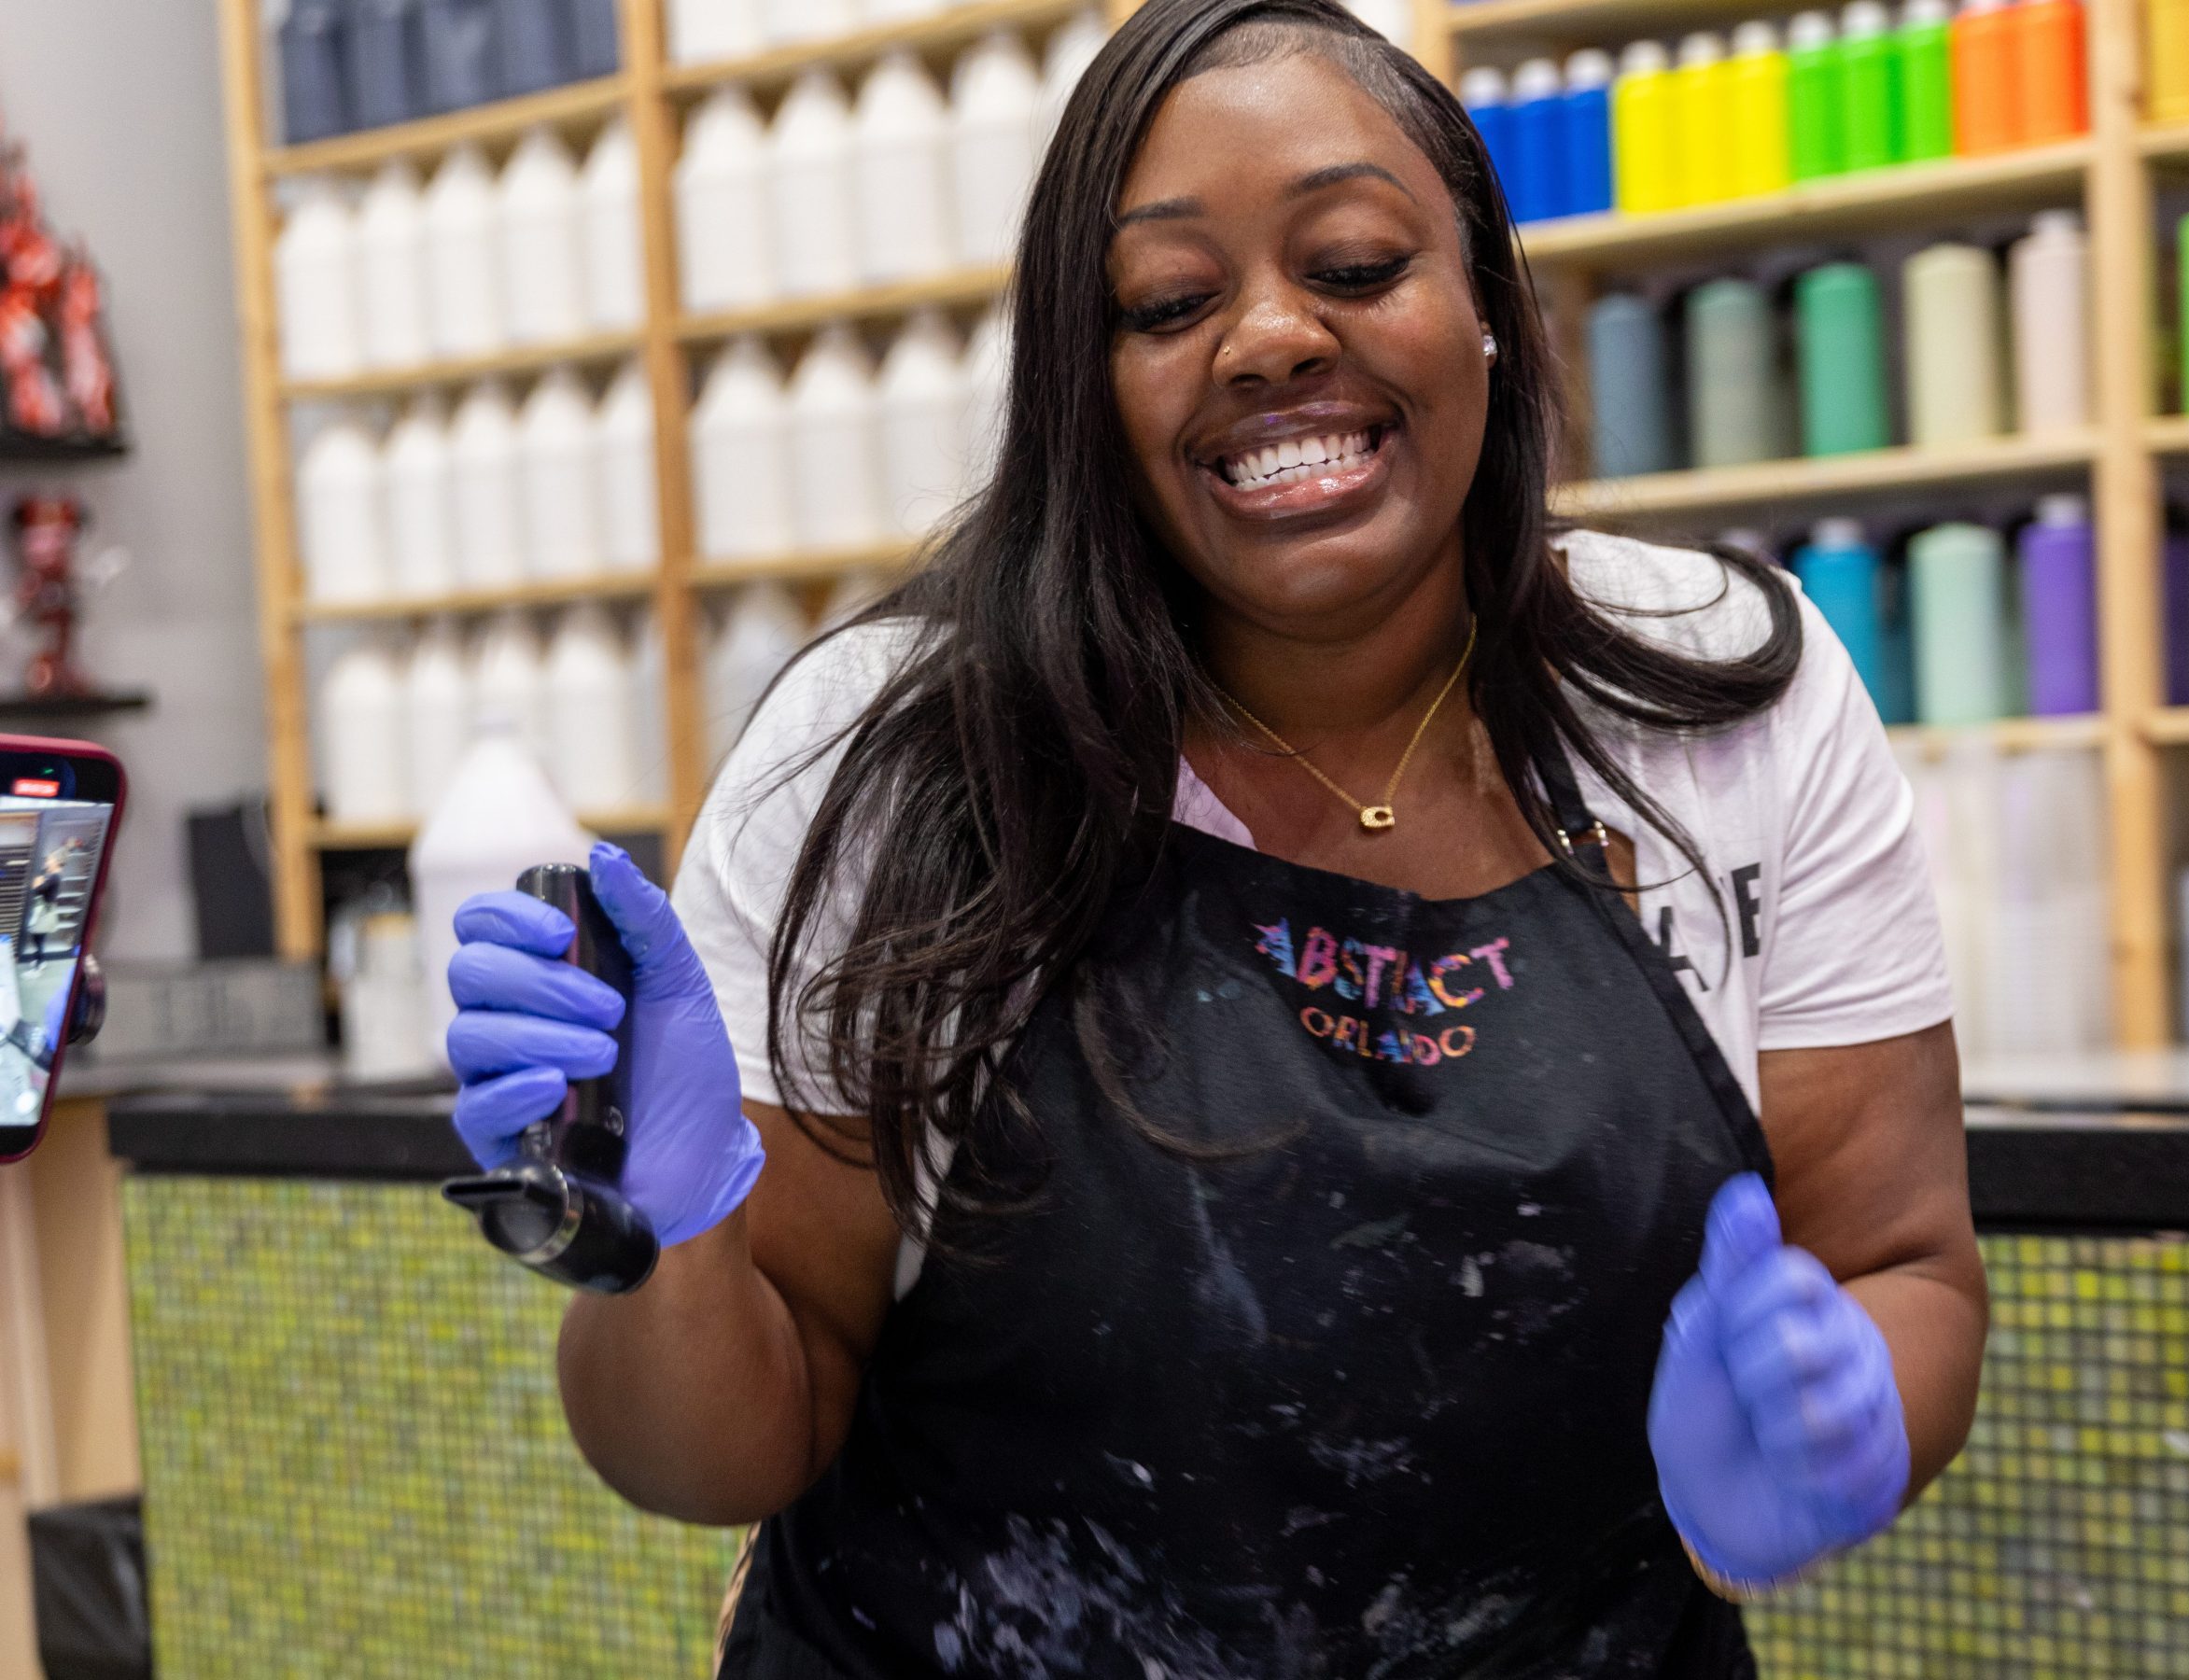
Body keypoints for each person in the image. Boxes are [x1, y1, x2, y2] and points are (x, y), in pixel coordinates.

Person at [443, 2, 1988, 1673]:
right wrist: (659, 1238)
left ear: (1490, 309)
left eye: (1355, 261)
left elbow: (1903, 1266)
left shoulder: (1718, 701)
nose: (1267, 339)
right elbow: (713, 1454)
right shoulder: (889, 766)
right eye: (1170, 303)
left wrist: (1849, 1423)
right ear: (1083, 388)